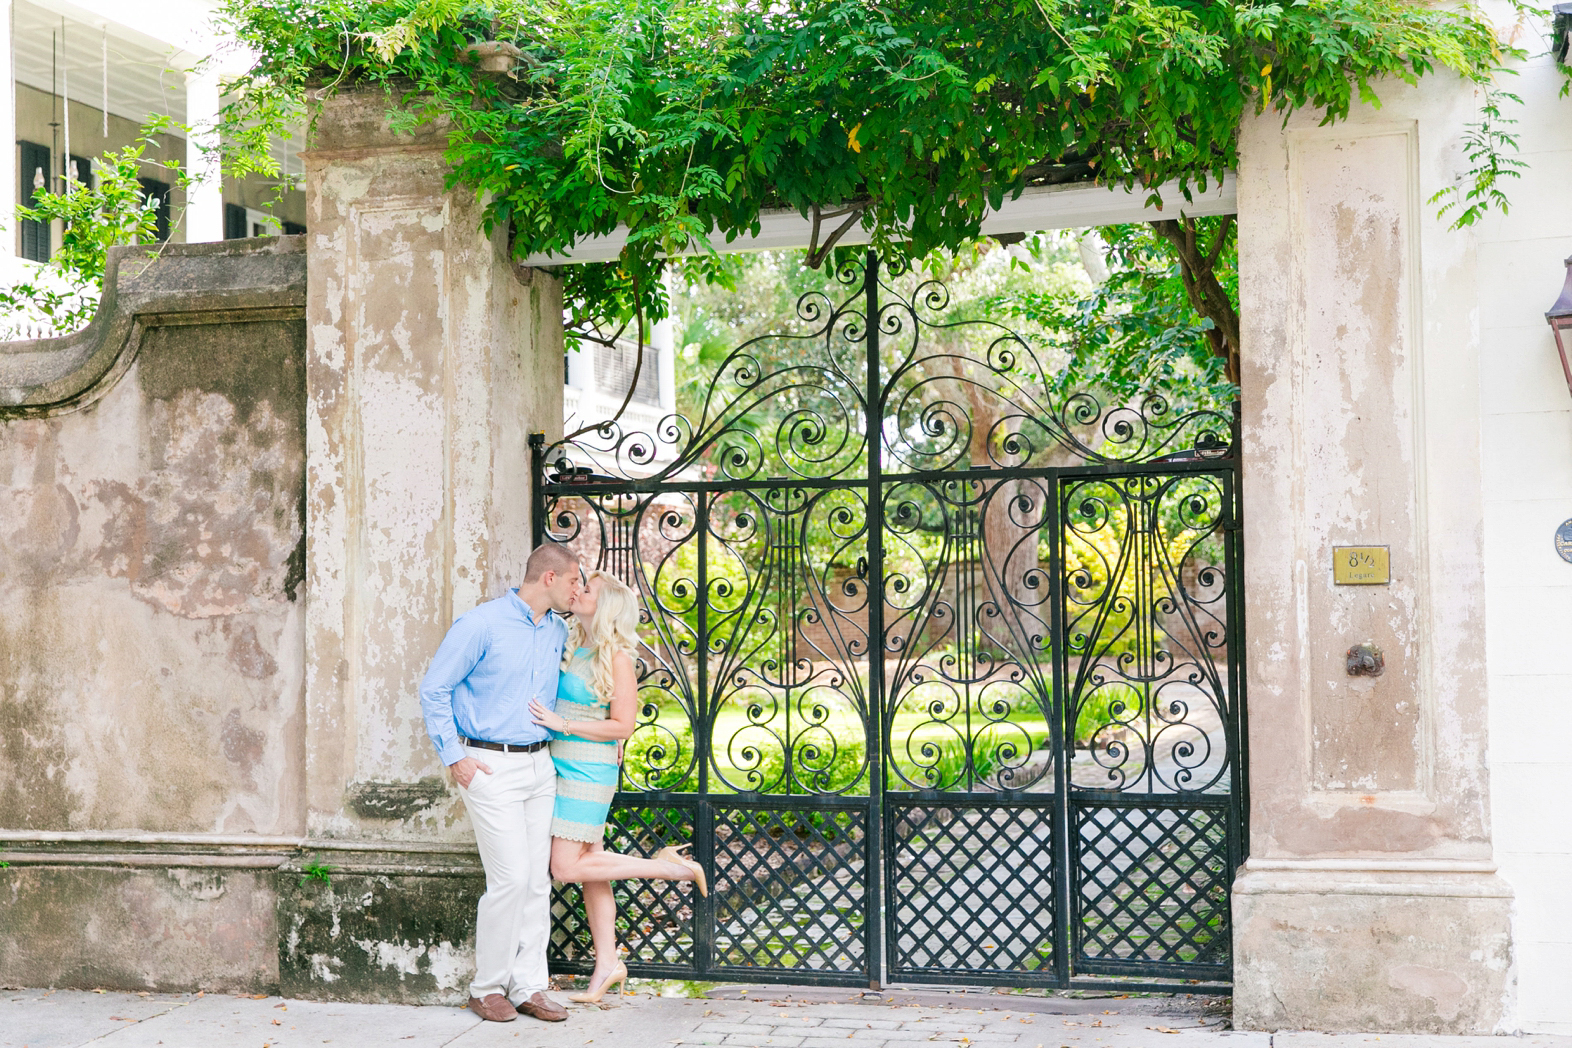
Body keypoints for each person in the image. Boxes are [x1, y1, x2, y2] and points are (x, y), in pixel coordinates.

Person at [419, 544, 582, 1025]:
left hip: (540, 766)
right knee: (509, 878)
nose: (579, 589)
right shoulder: (481, 624)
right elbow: (435, 688)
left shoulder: (556, 629)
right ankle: (486, 987)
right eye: (574, 580)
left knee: (535, 881)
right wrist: (455, 758)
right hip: (489, 766)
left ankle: (528, 985)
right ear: (548, 577)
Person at [528, 569, 707, 1003]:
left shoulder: (618, 657)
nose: (577, 590)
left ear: (604, 605)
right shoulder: (571, 640)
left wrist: (562, 723)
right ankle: (607, 964)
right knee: (592, 870)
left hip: (589, 772)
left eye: (585, 589)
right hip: (561, 764)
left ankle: (672, 869)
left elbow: (622, 725)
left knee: (566, 868)